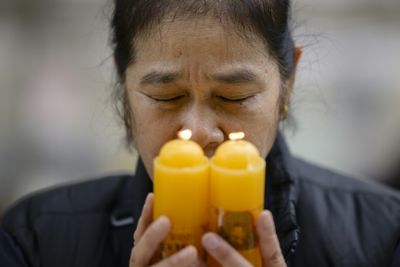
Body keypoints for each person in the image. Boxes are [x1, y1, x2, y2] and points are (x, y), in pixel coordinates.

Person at [1, 0, 400, 266]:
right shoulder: (34, 238)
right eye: (166, 96)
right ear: (123, 86)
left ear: (288, 80)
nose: (196, 131)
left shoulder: (383, 234)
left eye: (233, 96)